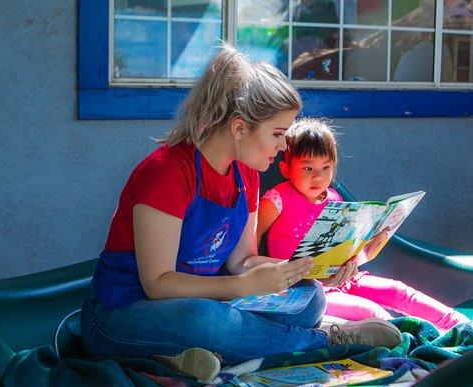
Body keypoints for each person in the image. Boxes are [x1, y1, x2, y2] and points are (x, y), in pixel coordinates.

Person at [80, 45, 402, 367]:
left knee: (309, 298)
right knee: (205, 319)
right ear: (238, 128)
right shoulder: (166, 172)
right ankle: (330, 340)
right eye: (277, 134)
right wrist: (239, 287)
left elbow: (242, 261)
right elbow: (158, 283)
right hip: (121, 312)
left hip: (210, 296)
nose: (283, 146)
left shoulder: (246, 172)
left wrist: (307, 270)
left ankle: (179, 355)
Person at [257, 118, 469, 330]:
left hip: (343, 278)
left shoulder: (335, 199)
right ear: (286, 170)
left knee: (398, 290)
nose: (318, 177)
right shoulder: (277, 199)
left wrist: (365, 250)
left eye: (326, 167)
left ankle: (461, 325)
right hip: (305, 291)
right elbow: (251, 241)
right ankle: (407, 338)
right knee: (370, 312)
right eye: (308, 168)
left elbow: (345, 246)